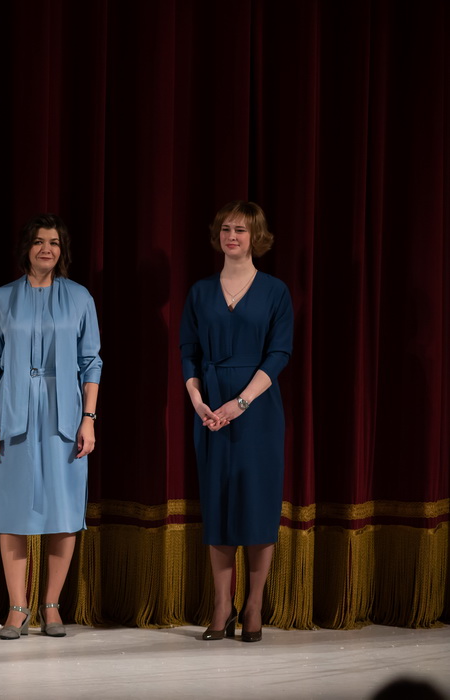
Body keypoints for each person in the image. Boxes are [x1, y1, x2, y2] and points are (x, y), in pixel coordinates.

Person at [0, 214, 101, 640]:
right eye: (40, 241)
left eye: (55, 242)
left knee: (64, 513)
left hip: (65, 419)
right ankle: (17, 608)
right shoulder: (1, 299)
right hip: (13, 417)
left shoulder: (79, 297)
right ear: (26, 248)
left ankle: (52, 606)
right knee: (13, 513)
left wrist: (88, 420)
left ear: (63, 250)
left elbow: (91, 362)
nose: (47, 249)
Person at [179, 200, 293, 643]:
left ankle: (254, 605)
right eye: (226, 229)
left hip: (257, 408)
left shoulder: (275, 291)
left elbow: (279, 353)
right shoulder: (200, 291)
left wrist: (241, 402)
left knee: (258, 505)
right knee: (218, 505)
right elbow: (189, 352)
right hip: (210, 411)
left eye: (241, 230)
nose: (232, 236)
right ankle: (221, 606)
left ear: (255, 237)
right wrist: (197, 399)